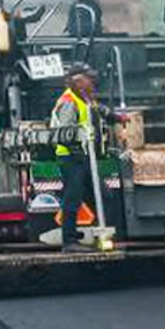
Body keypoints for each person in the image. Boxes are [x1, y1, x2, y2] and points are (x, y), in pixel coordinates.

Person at [50, 67, 126, 247]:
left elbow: (99, 110)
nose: (93, 84)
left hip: (83, 158)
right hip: (71, 158)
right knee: (73, 198)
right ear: (78, 83)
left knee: (104, 195)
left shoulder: (83, 99)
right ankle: (69, 241)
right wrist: (79, 151)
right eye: (89, 81)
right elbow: (66, 133)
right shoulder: (69, 102)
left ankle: (101, 233)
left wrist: (118, 118)